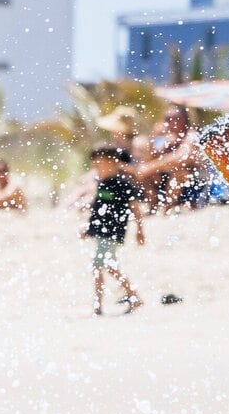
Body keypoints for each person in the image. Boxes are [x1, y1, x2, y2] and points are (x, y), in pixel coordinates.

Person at [82, 146, 146, 316]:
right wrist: (88, 229)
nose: (98, 167)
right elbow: (98, 209)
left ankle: (132, 296)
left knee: (105, 266)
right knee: (102, 267)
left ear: (114, 163)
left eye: (102, 163)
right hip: (101, 232)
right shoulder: (102, 183)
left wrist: (140, 231)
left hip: (113, 232)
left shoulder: (122, 184)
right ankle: (99, 305)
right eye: (96, 164)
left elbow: (135, 208)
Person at [132, 107, 212, 210]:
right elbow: (149, 159)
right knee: (147, 173)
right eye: (166, 119)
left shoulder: (191, 136)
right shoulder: (168, 139)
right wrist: (153, 137)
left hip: (195, 183)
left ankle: (166, 208)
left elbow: (181, 158)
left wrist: (150, 167)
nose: (169, 123)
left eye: (173, 118)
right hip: (170, 184)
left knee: (179, 172)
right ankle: (153, 207)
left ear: (184, 120)